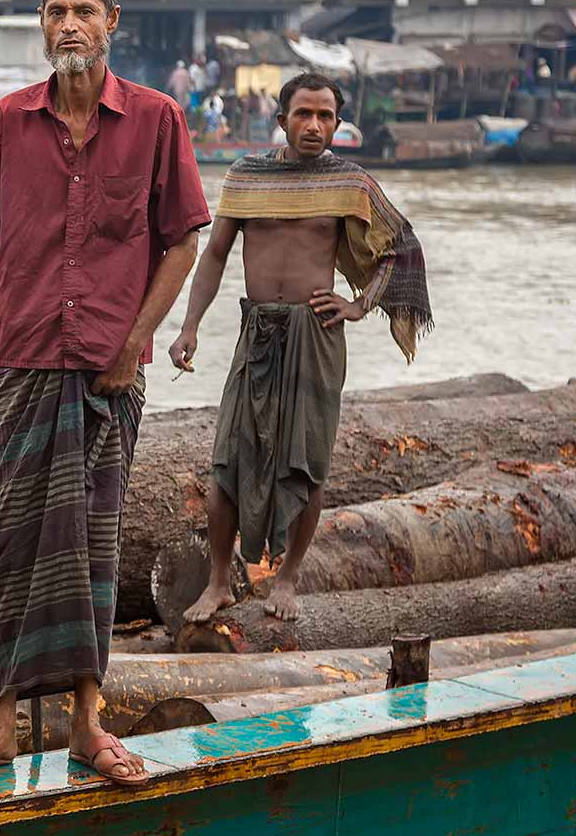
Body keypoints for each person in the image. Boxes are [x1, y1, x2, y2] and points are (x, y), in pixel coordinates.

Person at [0, 0, 210, 788]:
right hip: (24, 366)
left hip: (108, 374)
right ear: (44, 24)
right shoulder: (7, 123)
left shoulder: (157, 120)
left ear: (112, 21)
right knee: (12, 546)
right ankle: (2, 720)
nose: (69, 27)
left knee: (93, 545)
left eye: (84, 12)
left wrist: (135, 341)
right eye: (55, 13)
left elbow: (183, 242)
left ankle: (89, 721)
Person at [168, 73, 432, 623]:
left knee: (306, 465)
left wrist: (359, 305)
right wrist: (190, 325)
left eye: (326, 117)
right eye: (304, 114)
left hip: (316, 334)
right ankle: (220, 580)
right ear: (282, 118)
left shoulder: (350, 182)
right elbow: (214, 254)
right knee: (227, 463)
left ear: (337, 123)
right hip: (256, 329)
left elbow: (400, 247)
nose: (314, 126)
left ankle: (287, 581)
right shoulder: (247, 176)